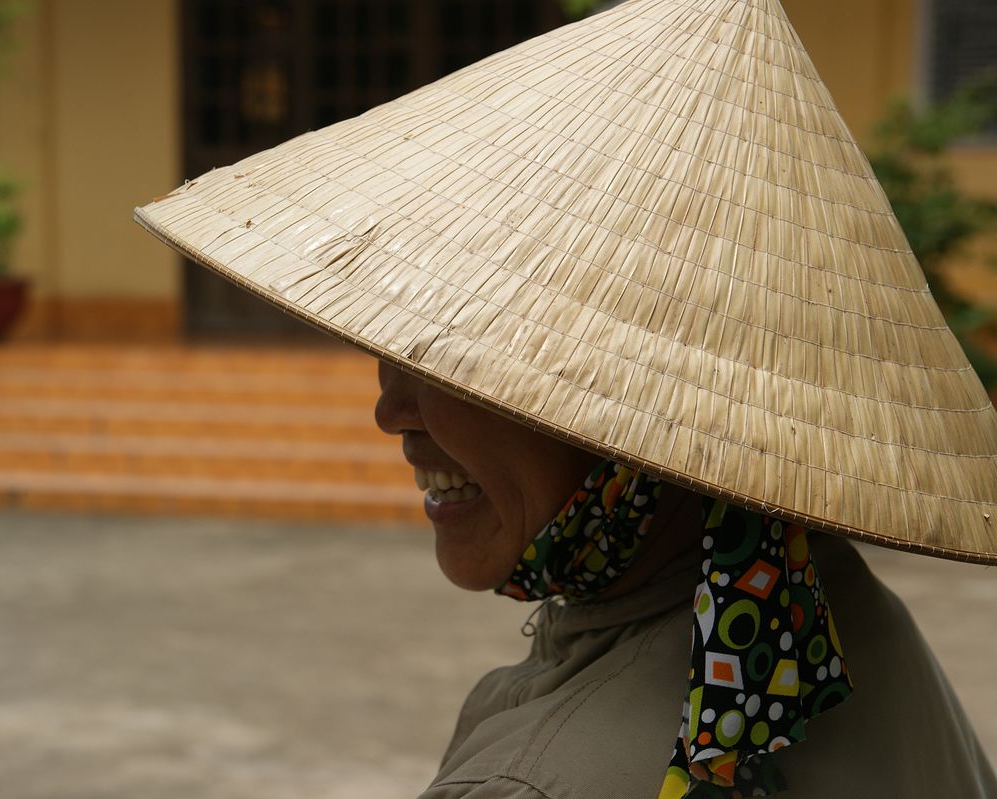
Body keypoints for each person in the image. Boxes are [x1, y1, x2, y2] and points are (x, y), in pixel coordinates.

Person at [135, 0, 997, 794]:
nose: (390, 412)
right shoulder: (831, 611)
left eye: (441, 360)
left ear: (626, 416)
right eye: (386, 350)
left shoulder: (531, 781)